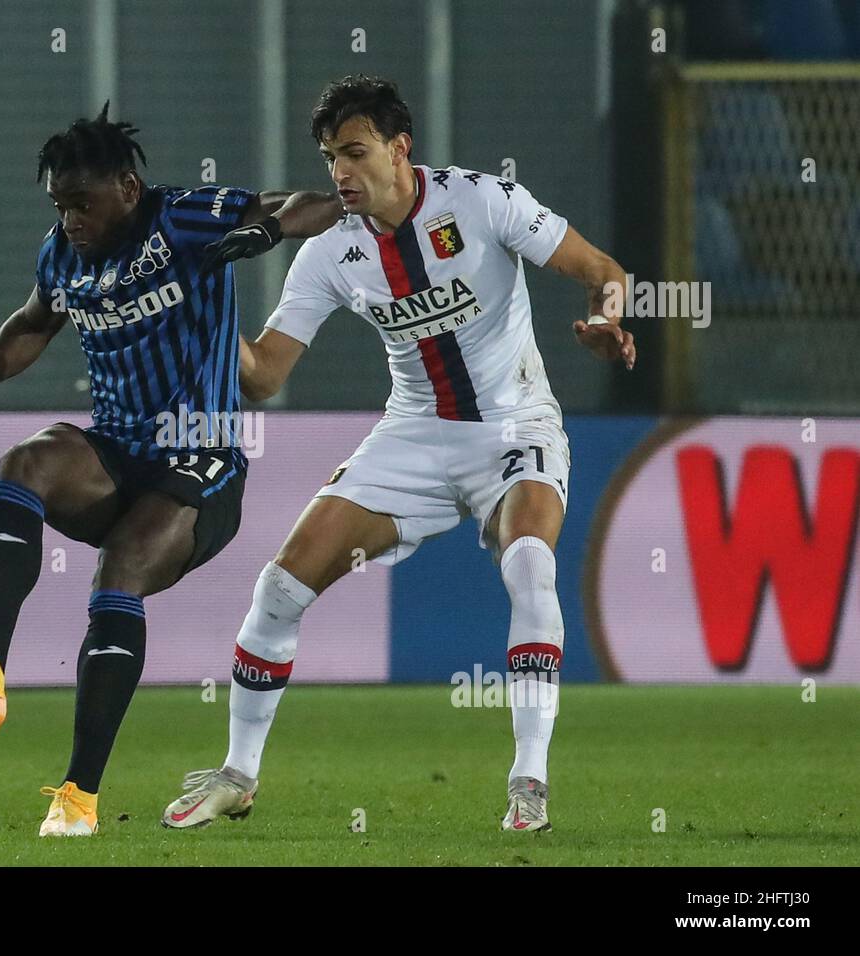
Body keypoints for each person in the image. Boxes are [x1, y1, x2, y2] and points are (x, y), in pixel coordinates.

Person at [162, 75, 635, 833]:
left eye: (354, 153)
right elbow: (266, 375)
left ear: (399, 148)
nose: (340, 174)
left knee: (530, 564)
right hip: (413, 435)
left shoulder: (484, 202)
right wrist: (204, 314)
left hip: (516, 424)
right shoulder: (329, 252)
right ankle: (238, 775)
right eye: (328, 159)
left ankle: (529, 781)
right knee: (279, 588)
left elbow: (602, 271)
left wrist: (607, 319)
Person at [0, 103, 343, 837]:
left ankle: (78, 798)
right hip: (118, 454)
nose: (70, 219)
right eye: (59, 205)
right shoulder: (63, 256)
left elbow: (310, 203)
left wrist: (267, 228)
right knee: (27, 460)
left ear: (129, 189)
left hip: (204, 462)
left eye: (82, 203)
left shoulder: (186, 219)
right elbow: (34, 321)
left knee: (119, 573)